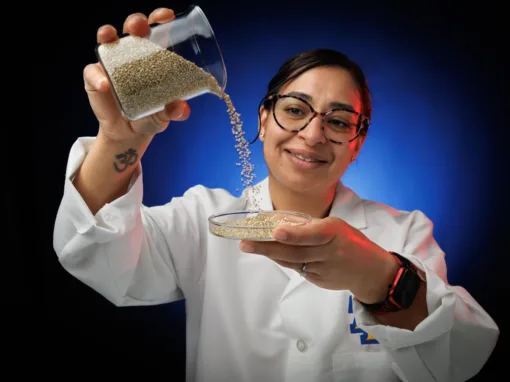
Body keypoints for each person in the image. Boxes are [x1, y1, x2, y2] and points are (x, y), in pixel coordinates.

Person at [53, 7, 499, 382]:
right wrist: (117, 141)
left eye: (340, 121)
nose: (312, 133)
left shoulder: (402, 232)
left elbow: (458, 358)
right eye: (294, 110)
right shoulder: (202, 218)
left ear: (357, 143)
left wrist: (380, 278)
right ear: (263, 120)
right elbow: (97, 257)